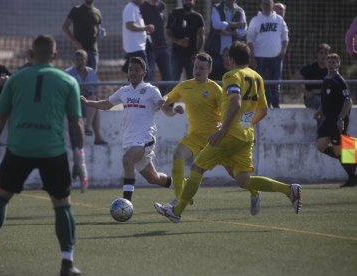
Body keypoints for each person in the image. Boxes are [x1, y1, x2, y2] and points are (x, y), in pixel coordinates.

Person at [0, 35, 86, 276]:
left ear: (31, 55)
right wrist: (79, 162)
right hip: (52, 151)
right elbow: (75, 124)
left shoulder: (15, 79)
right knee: (62, 205)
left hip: (18, 149)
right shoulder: (67, 81)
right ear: (54, 56)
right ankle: (67, 262)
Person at [154, 41, 302, 223]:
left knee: (196, 168)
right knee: (243, 179)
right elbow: (263, 110)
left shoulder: (231, 76)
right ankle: (289, 190)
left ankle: (176, 211)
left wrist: (224, 130)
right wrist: (245, 125)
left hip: (228, 135)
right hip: (245, 136)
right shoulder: (257, 77)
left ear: (231, 59)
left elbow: (235, 102)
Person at [81, 56, 171, 202]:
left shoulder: (151, 90)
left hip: (145, 138)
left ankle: (126, 204)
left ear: (144, 72)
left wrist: (165, 103)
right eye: (130, 69)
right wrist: (87, 102)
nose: (133, 72)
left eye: (136, 69)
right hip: (130, 140)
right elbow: (106, 104)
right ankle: (179, 186)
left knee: (127, 159)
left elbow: (163, 107)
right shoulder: (124, 91)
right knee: (153, 178)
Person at [161, 53, 222, 203]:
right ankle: (178, 199)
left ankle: (254, 190)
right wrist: (172, 108)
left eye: (202, 68)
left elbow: (228, 112)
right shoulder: (185, 86)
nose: (197, 70)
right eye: (195, 67)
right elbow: (164, 102)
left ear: (209, 69)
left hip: (214, 138)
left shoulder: (215, 89)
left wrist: (222, 125)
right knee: (178, 155)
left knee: (237, 174)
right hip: (194, 136)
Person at [314, 53, 356, 187]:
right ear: (326, 63)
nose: (331, 64)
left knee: (338, 150)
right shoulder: (326, 78)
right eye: (329, 61)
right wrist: (320, 109)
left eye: (334, 62)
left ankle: (352, 177)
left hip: (338, 119)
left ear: (338, 64)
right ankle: (352, 157)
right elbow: (326, 98)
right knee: (320, 146)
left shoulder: (338, 80)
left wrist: (341, 118)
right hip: (329, 118)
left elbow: (348, 101)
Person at [247, 0, 289, 108]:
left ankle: (276, 108)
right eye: (264, 3)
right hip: (259, 57)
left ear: (272, 5)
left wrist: (283, 50)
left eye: (268, 3)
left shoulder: (279, 20)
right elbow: (250, 40)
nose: (266, 6)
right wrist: (252, 57)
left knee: (275, 85)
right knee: (261, 85)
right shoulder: (255, 20)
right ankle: (264, 107)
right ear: (260, 5)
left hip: (276, 58)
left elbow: (285, 37)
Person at [65, 49, 107, 145]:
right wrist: (82, 89)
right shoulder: (68, 72)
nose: (80, 62)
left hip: (86, 101)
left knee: (94, 100)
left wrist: (84, 88)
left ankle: (89, 129)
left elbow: (96, 88)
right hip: (74, 101)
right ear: (74, 61)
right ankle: (96, 136)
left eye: (82, 59)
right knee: (93, 103)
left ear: (86, 60)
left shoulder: (91, 71)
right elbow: (67, 90)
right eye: (77, 60)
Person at [205, 0, 247, 81]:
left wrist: (230, 33)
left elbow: (243, 31)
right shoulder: (216, 8)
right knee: (214, 79)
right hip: (216, 53)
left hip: (233, 54)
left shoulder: (240, 10)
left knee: (232, 80)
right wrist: (236, 24)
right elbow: (216, 25)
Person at [166, 0, 205, 81]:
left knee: (193, 83)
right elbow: (167, 32)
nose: (188, 2)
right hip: (176, 55)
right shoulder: (174, 13)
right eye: (186, 0)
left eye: (190, 0)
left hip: (192, 56)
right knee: (172, 82)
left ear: (194, 2)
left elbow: (202, 36)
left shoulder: (198, 17)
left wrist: (197, 53)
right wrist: (178, 41)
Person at [140, 0, 172, 94]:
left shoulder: (162, 6)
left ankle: (159, 99)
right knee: (149, 78)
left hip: (163, 47)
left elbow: (165, 25)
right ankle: (148, 102)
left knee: (169, 77)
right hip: (149, 49)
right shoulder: (142, 7)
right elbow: (138, 26)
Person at [62, 0, 105, 71]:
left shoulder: (97, 12)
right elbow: (65, 27)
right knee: (78, 77)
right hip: (80, 51)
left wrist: (102, 33)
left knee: (92, 77)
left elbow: (99, 29)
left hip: (93, 51)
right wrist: (74, 41)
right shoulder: (76, 10)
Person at [291, 43, 331, 110]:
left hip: (326, 96)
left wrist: (317, 91)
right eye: (321, 53)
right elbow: (294, 80)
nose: (323, 55)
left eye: (326, 53)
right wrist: (305, 92)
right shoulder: (310, 68)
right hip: (312, 98)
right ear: (317, 54)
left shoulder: (331, 69)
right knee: (319, 102)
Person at [121, 0, 154, 73]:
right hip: (135, 48)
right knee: (143, 74)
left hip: (138, 47)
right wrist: (145, 28)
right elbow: (130, 26)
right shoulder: (130, 8)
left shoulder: (136, 8)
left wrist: (145, 30)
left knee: (137, 74)